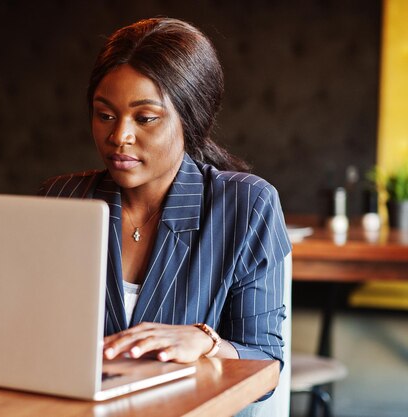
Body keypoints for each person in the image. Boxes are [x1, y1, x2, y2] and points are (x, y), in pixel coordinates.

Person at [39, 16, 291, 386]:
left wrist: (205, 342)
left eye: (145, 118)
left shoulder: (246, 205)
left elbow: (265, 363)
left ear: (190, 120)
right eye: (105, 115)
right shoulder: (60, 200)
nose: (119, 136)